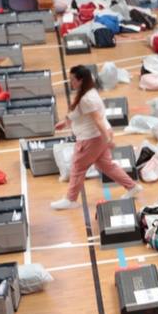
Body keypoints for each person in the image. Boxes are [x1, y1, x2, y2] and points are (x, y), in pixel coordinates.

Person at [50, 65, 139, 210]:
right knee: (106, 166)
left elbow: (97, 120)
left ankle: (70, 199)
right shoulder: (90, 92)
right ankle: (132, 186)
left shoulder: (87, 98)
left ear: (81, 80)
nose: (70, 81)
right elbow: (81, 114)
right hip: (98, 138)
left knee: (78, 167)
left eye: (72, 79)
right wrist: (65, 122)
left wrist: (109, 139)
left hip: (91, 139)